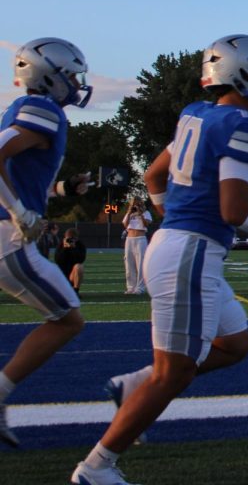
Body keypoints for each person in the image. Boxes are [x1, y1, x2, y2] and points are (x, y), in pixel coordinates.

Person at [71, 34, 248, 485]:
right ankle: (96, 467)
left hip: (180, 246)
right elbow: (234, 211)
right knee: (175, 374)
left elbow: (153, 174)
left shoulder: (196, 114)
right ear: (241, 74)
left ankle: (133, 385)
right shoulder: (246, 126)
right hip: (189, 252)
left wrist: (169, 211)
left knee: (235, 344)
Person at [0, 38, 94, 448]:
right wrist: (19, 211)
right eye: (71, 75)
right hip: (6, 237)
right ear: (50, 77)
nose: (76, 83)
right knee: (67, 319)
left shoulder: (28, 110)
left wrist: (61, 189)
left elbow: (22, 175)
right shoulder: (43, 109)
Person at [122, 199, 153, 295]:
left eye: (136, 203)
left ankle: (140, 288)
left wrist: (140, 214)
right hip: (129, 239)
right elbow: (125, 224)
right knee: (129, 263)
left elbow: (146, 224)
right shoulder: (129, 213)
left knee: (140, 264)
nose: (135, 205)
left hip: (140, 238)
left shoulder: (146, 212)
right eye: (133, 203)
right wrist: (129, 212)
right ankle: (131, 287)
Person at [55, 228, 88, 293]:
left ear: (76, 239)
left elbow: (81, 260)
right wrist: (65, 249)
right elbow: (58, 261)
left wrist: (73, 248)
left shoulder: (80, 245)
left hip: (73, 275)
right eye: (68, 238)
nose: (70, 240)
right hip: (62, 276)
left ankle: (75, 291)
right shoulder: (61, 245)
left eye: (72, 239)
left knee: (79, 267)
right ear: (65, 237)